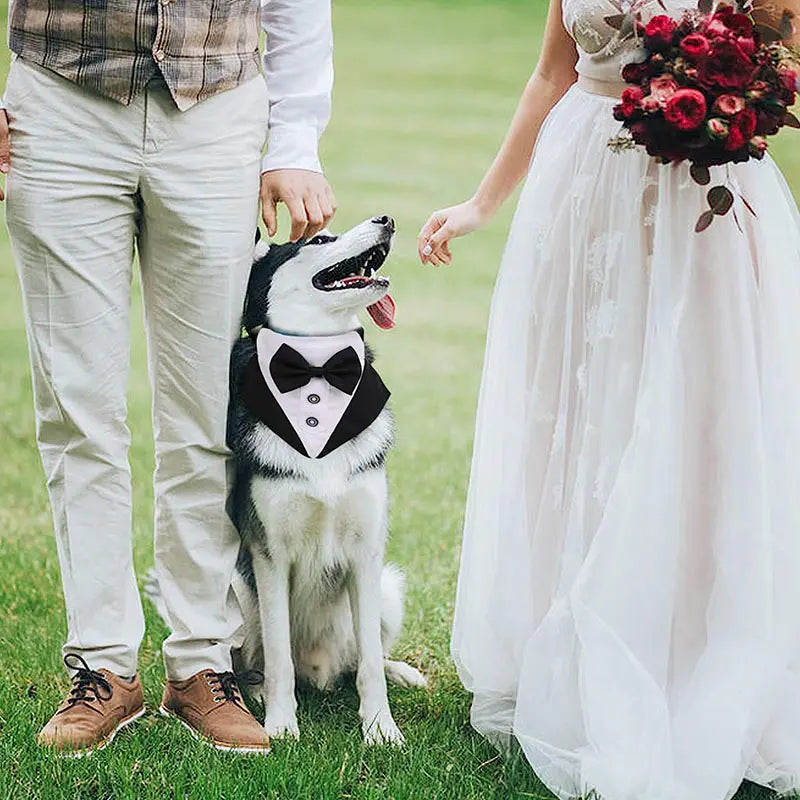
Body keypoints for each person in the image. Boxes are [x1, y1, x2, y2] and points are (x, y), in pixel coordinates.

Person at [419, 1, 800, 798]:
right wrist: (481, 205)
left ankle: (690, 657)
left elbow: (784, 57)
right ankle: (578, 648)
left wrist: (732, 107)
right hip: (583, 188)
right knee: (577, 410)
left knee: (691, 419)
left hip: (700, 196)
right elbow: (553, 74)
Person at [2, 0, 335, 756]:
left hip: (216, 114)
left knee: (205, 411)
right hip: (57, 108)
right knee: (78, 410)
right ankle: (104, 666)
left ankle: (201, 664)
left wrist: (294, 140)